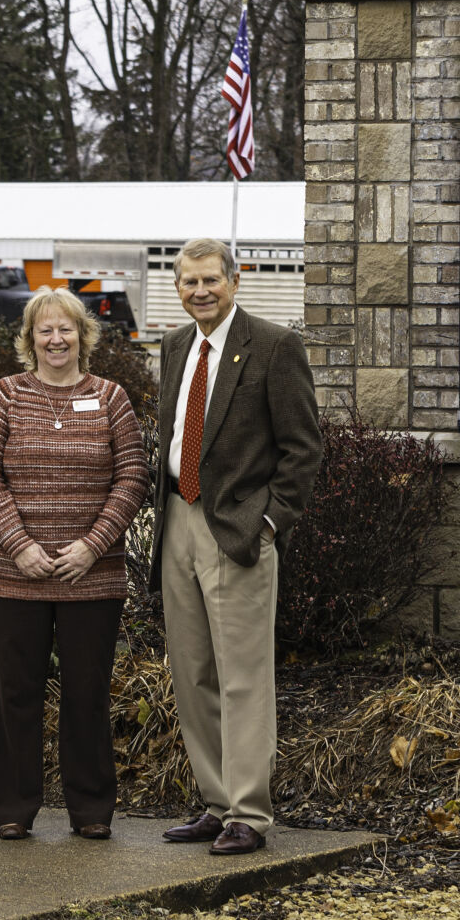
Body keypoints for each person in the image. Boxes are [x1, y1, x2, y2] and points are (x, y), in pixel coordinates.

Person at [151, 237, 322, 855]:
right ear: (178, 287)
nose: (200, 291)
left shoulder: (275, 347)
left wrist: (269, 523)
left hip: (238, 531)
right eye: (188, 282)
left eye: (210, 281)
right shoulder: (173, 347)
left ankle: (250, 812)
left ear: (235, 279)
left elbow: (304, 448)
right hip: (177, 519)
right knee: (192, 671)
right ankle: (215, 802)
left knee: (244, 676)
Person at [0, 288, 149, 840]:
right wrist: (19, 545)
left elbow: (133, 476)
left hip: (91, 577)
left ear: (83, 336)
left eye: (65, 329)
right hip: (12, 574)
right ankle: (14, 810)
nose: (56, 339)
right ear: (29, 340)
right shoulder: (4, 396)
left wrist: (92, 545)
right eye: (44, 330)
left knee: (87, 694)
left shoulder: (111, 397)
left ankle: (91, 810)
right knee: (13, 694)